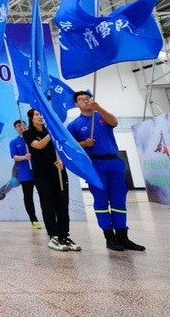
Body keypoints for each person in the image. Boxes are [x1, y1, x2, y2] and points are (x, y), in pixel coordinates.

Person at [67, 92, 145, 252]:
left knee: (118, 200)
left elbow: (114, 122)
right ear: (76, 105)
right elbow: (72, 147)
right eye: (81, 100)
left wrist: (99, 108)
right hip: (95, 165)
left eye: (87, 98)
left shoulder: (101, 116)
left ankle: (123, 236)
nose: (85, 101)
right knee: (101, 201)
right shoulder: (74, 125)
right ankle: (109, 237)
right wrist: (84, 143)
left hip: (114, 162)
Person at [24, 110, 79, 252]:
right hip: (42, 174)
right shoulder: (28, 134)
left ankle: (64, 235)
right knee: (48, 204)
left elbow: (64, 150)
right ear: (31, 118)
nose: (40, 117)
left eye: (41, 114)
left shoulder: (54, 133)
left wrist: (63, 161)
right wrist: (52, 133)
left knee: (62, 204)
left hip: (59, 172)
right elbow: (38, 145)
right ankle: (53, 236)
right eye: (37, 114)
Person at [9, 120, 41, 229]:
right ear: (15, 128)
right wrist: (24, 157)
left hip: (38, 171)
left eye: (23, 125)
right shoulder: (14, 142)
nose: (21, 127)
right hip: (25, 174)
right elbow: (14, 157)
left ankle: (49, 217)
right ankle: (33, 220)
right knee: (28, 197)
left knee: (44, 195)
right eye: (18, 126)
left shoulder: (34, 138)